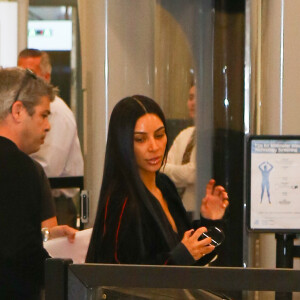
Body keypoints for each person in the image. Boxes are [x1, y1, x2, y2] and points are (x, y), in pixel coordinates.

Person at [86, 95, 228, 265]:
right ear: (123, 143)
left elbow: (191, 257)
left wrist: (210, 221)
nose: (154, 147)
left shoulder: (164, 185)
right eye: (140, 139)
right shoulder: (121, 199)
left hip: (176, 291)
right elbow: (121, 274)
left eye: (159, 135)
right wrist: (181, 256)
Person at [0, 67, 77, 300]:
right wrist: (67, 276)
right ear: (18, 110)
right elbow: (19, 252)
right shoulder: (18, 166)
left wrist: (44, 235)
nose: (48, 126)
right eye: (44, 115)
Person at [18, 49, 84, 228]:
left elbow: (48, 169)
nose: (24, 83)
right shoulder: (24, 110)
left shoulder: (58, 113)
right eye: (21, 74)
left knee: (53, 252)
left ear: (46, 77)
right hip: (34, 199)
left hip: (56, 204)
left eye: (30, 75)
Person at [163, 84, 197, 216]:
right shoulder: (184, 134)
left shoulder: (211, 138)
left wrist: (171, 171)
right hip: (176, 211)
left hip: (198, 212)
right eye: (190, 98)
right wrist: (183, 173)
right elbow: (161, 170)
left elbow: (193, 173)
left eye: (197, 98)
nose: (193, 103)